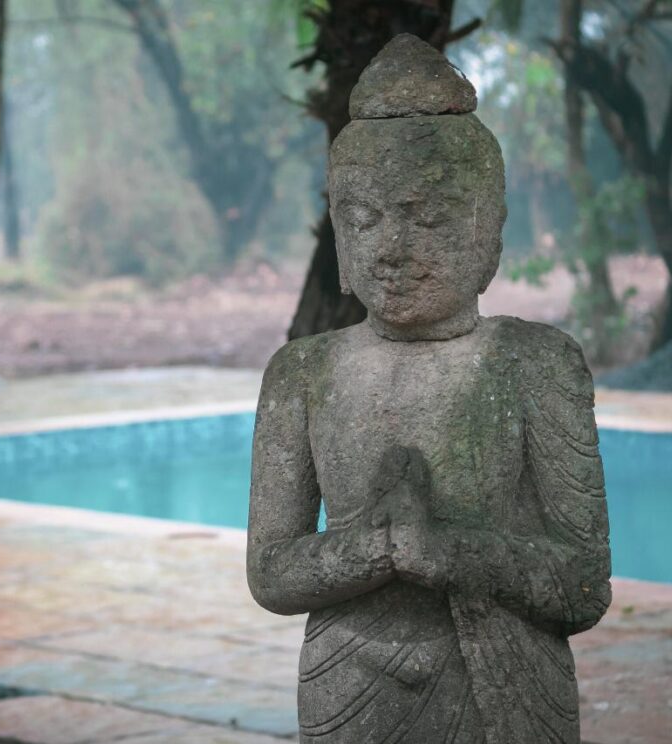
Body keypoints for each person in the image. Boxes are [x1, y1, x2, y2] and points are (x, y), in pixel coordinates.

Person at [247, 34, 611, 743]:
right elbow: (270, 571)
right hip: (350, 687)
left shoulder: (536, 363)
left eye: (429, 218)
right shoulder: (301, 373)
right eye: (364, 220)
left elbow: (584, 583)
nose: (392, 249)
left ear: (488, 231)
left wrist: (447, 552)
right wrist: (374, 551)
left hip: (509, 688)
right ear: (340, 237)